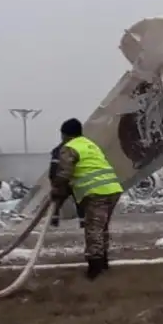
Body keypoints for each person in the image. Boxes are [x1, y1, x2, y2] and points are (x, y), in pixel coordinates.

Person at [49, 118, 124, 279]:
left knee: (94, 229)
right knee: (102, 227)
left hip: (96, 192)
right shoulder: (90, 144)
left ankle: (95, 267)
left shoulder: (69, 148)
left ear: (64, 135)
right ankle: (103, 263)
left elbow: (64, 173)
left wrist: (57, 190)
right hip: (112, 189)